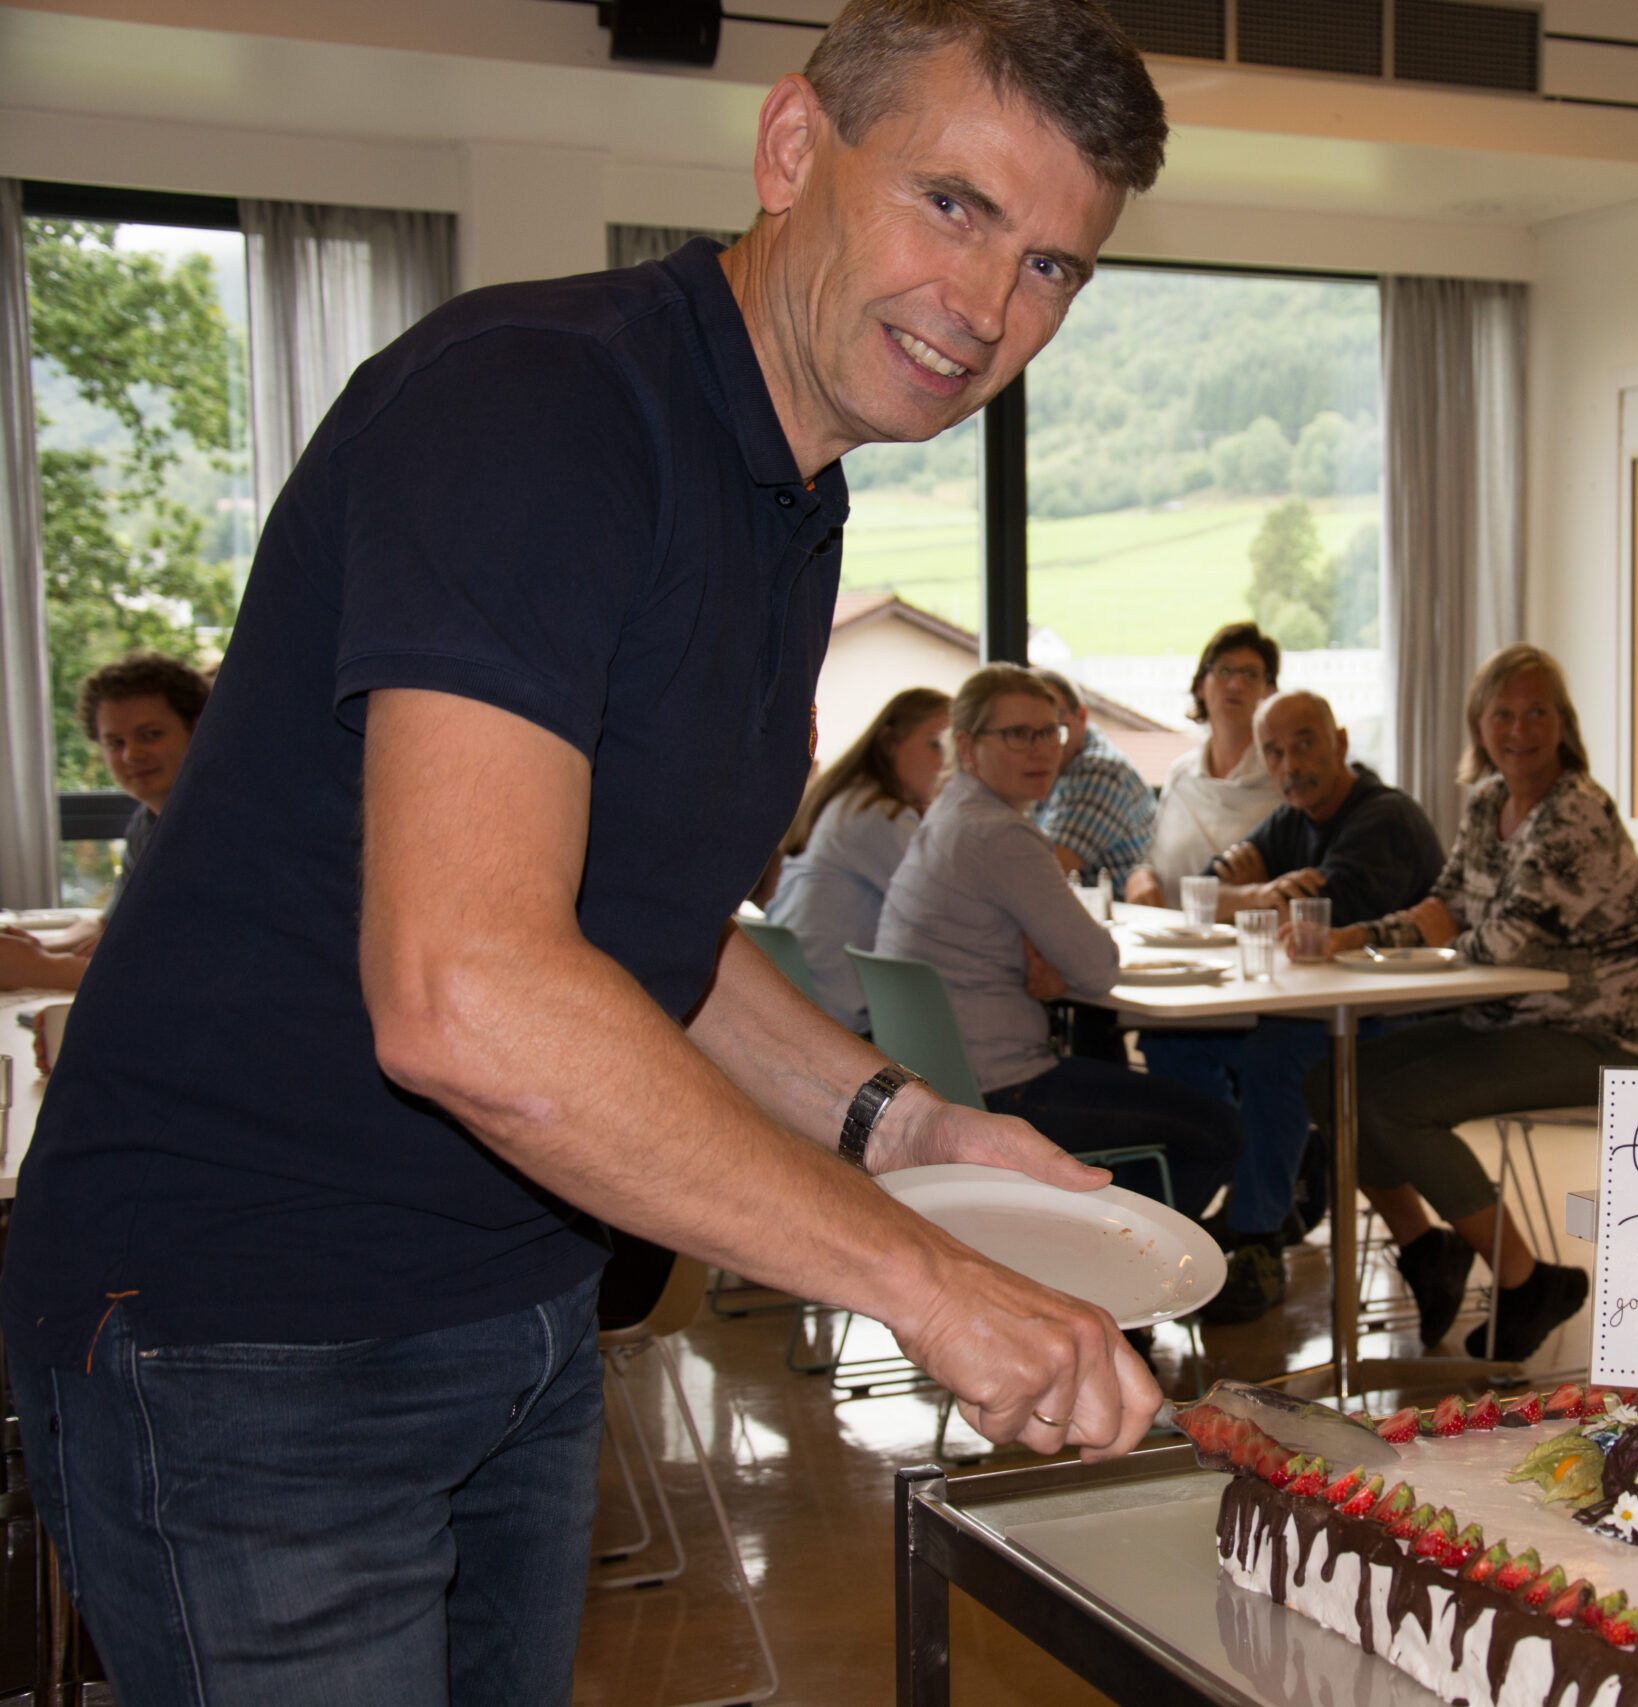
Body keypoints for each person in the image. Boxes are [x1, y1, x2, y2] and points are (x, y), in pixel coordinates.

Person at [1, 5, 1170, 1700]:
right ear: (789, 154)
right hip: (249, 1320)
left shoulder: (788, 490)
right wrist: (919, 1276)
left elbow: (633, 929)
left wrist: (907, 1125)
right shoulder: (541, 407)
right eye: (953, 205)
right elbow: (469, 992)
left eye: (1055, 265)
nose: (990, 309)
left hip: (512, 1297)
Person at [1310, 645, 1638, 1362]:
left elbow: (1503, 942)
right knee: (1331, 1079)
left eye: (1538, 711)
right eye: (1502, 713)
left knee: (1396, 1101)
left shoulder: (1576, 812)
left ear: (1562, 723)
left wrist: (1402, 940)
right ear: (1479, 725)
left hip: (1595, 1036)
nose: (1520, 728)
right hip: (1508, 1017)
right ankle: (1426, 1249)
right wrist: (1350, 937)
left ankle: (1526, 1278)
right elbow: (1448, 904)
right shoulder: (1487, 803)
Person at [877, 666, 1241, 1217]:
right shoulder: (1000, 833)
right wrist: (1059, 963)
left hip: (935, 1083)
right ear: (967, 747)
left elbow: (1067, 963)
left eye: (1051, 732)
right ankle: (1105, 1274)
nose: (1041, 749)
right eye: (1018, 734)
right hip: (1000, 1091)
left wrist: (1052, 964)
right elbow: (1097, 967)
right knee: (1220, 1129)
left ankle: (1071, 1254)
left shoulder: (951, 814)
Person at [1144, 690, 1442, 1321]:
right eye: (1273, 752)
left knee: (1274, 1057)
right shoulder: (1292, 818)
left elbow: (1323, 917)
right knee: (1172, 1040)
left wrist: (1260, 896)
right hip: (1321, 1007)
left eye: (1304, 743)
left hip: (1405, 1019)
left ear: (1339, 741)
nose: (1288, 764)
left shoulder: (1380, 817)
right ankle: (1247, 1184)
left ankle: (1256, 1238)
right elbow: (1207, 886)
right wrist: (1262, 890)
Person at [0, 651, 211, 992]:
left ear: (199, 728)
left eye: (151, 734)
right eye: (115, 743)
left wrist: (39, 968)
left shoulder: (226, 827)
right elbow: (110, 924)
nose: (131, 755)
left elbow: (188, 975)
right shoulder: (147, 823)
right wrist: (37, 950)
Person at [766, 685, 952, 1032]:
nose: (946, 762)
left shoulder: (850, 800)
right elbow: (949, 914)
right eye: (936, 745)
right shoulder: (879, 817)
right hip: (843, 1020)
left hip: (806, 1001)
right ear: (889, 742)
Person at [1123, 622, 1280, 906]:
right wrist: (1141, 877)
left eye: (1250, 674)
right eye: (1224, 671)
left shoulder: (1280, 777)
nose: (1235, 684)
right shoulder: (1181, 773)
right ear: (1199, 686)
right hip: (1171, 935)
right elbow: (1153, 857)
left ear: (1268, 692)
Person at [1030, 666, 1154, 896]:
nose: (1043, 745)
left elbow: (1043, 871)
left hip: (1123, 920)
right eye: (1027, 732)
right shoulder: (1053, 763)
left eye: (1055, 728)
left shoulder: (1101, 770)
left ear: (1082, 717)